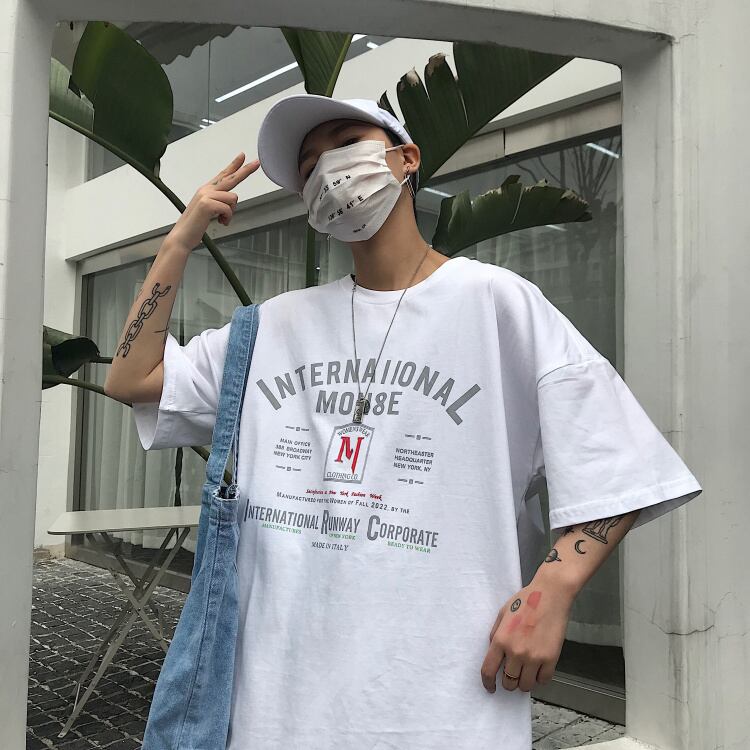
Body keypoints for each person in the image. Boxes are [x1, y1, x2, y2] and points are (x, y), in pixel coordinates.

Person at [103, 94, 703, 750]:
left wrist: (552, 592)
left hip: (445, 707)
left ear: (406, 157)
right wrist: (179, 241)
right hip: (275, 708)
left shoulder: (496, 304)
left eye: (345, 142)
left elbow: (618, 460)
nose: (327, 169)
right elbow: (131, 379)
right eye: (308, 165)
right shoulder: (271, 327)